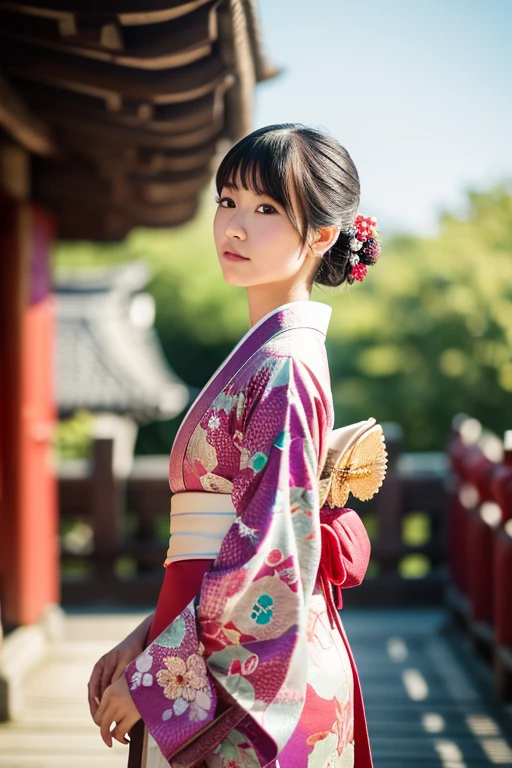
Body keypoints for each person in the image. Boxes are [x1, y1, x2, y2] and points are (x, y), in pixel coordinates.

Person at [87, 123, 386, 768]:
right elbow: (221, 545)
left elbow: (270, 555)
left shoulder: (285, 365)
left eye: (266, 209)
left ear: (323, 236)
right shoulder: (272, 353)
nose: (234, 226)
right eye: (227, 201)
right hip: (214, 633)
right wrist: (148, 636)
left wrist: (162, 681)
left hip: (247, 667)